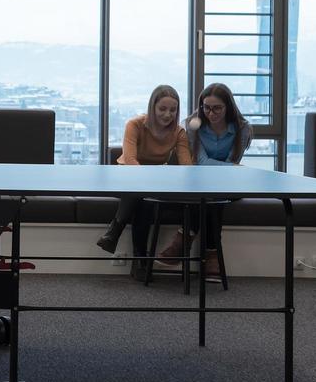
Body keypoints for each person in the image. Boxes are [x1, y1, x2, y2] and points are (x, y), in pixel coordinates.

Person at [96, 84, 193, 280]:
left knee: (144, 201)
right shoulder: (135, 124)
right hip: (127, 177)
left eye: (173, 110)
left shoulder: (179, 132)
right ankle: (140, 260)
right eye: (162, 109)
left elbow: (187, 167)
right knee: (141, 194)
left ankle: (115, 231)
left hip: (154, 181)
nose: (168, 114)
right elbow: (130, 160)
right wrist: (148, 181)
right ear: (152, 107)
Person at [166, 83, 255, 278]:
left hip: (228, 185)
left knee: (213, 195)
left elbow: (232, 164)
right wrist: (232, 169)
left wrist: (231, 169)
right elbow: (201, 162)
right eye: (206, 107)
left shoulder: (243, 128)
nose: (211, 113)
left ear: (228, 107)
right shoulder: (192, 124)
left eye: (217, 108)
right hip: (201, 182)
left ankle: (183, 239)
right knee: (210, 198)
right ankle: (211, 255)